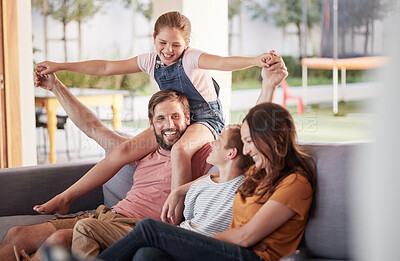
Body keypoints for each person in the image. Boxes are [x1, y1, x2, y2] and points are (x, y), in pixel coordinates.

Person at [35, 11, 274, 198]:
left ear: (187, 43)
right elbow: (105, 67)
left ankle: (174, 209)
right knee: (124, 150)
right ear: (153, 38)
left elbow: (222, 62)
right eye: (162, 43)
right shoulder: (151, 61)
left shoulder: (190, 58)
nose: (168, 50)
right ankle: (67, 197)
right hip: (175, 117)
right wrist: (60, 66)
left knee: (180, 150)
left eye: (176, 45)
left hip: (205, 118)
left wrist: (256, 60)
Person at [96, 67, 316, 261]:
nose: (246, 149)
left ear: (272, 141)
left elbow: (246, 236)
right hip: (229, 248)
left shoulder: (294, 183)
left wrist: (195, 241)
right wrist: (180, 190)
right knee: (147, 255)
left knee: (149, 229)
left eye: (250, 143)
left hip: (251, 256)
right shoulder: (259, 171)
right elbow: (251, 127)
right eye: (246, 143)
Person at [0, 87, 213, 261]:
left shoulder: (200, 152)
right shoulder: (141, 149)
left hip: (137, 227)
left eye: (176, 117)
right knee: (17, 234)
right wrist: (55, 85)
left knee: (59, 240)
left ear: (187, 118)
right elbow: (92, 127)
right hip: (107, 215)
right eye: (161, 119)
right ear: (151, 124)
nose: (169, 125)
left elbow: (231, 164)